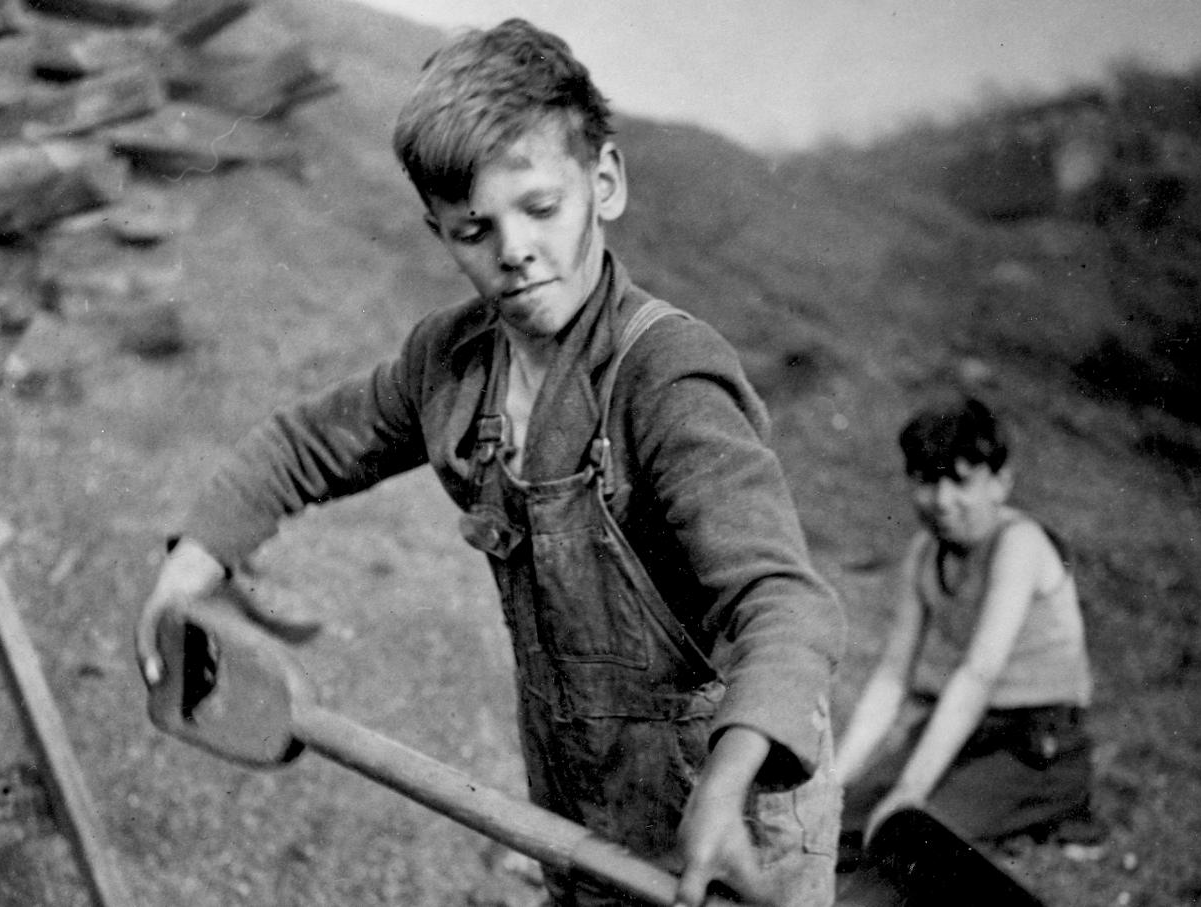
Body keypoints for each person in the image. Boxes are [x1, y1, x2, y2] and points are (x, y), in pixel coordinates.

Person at [134, 19, 843, 907]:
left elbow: (785, 603)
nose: (512, 249)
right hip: (583, 797)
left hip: (736, 812)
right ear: (438, 229)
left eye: (540, 208)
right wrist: (190, 564)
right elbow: (301, 445)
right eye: (474, 228)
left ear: (605, 182)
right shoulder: (451, 365)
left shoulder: (668, 377)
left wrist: (728, 780)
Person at [832, 396, 1103, 863]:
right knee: (845, 815)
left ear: (1001, 483)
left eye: (960, 482)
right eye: (926, 481)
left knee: (910, 832)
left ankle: (1060, 811)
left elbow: (979, 672)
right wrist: (834, 780)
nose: (942, 502)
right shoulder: (924, 553)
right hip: (970, 729)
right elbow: (893, 675)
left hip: (1038, 742)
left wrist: (911, 789)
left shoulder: (1019, 544)